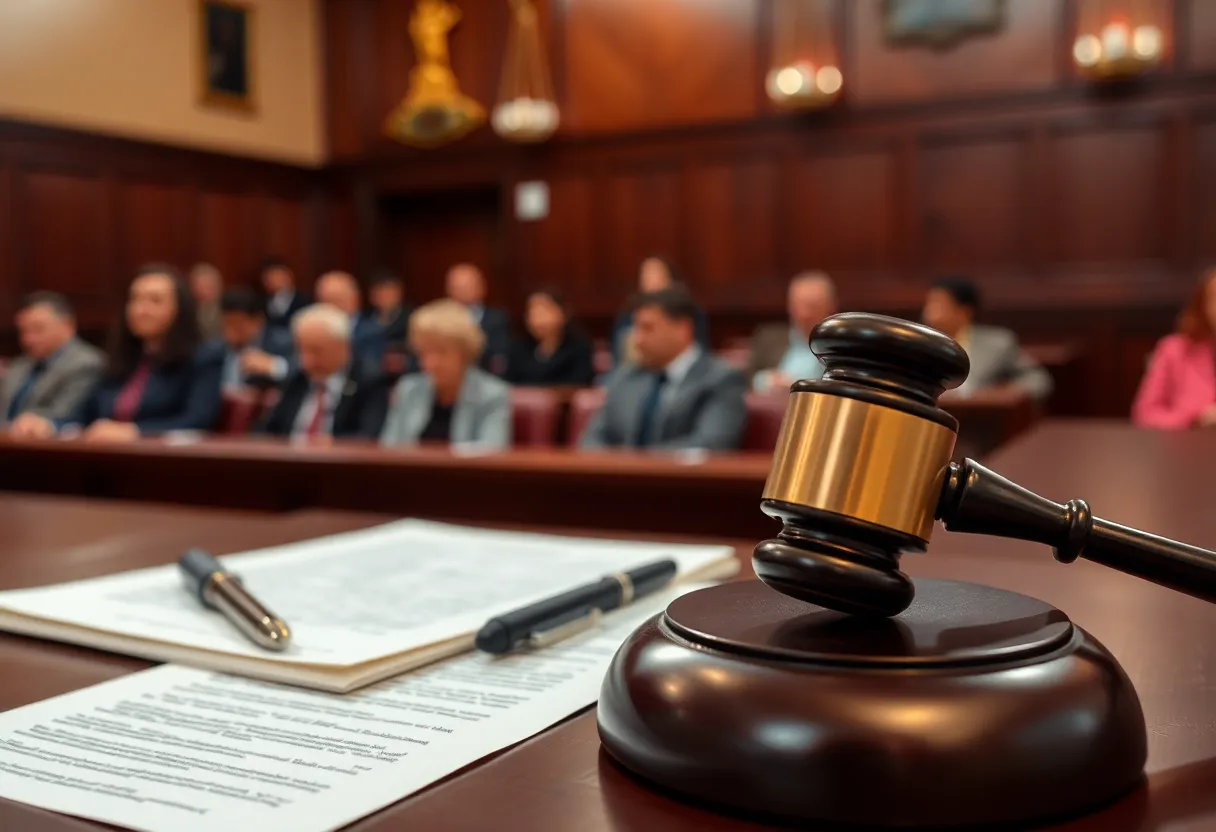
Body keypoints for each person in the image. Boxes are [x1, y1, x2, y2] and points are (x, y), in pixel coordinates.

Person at [8, 264, 223, 441]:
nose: (141, 309)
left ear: (180, 308)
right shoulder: (121, 358)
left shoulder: (204, 356)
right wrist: (49, 425)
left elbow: (197, 421)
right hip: (110, 459)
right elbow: (85, 416)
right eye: (135, 299)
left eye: (155, 300)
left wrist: (134, 431)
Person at [580, 286, 746, 451]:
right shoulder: (625, 378)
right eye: (636, 328)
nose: (637, 339)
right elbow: (591, 439)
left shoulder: (720, 380)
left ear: (682, 329)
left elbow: (712, 444)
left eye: (647, 328)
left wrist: (639, 462)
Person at [381, 299, 511, 448]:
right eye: (424, 352)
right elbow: (389, 449)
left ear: (464, 353)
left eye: (441, 352)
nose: (430, 363)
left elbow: (493, 451)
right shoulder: (408, 390)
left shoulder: (492, 395)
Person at [255, 304, 390, 440]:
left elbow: (367, 437)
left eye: (316, 351)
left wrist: (329, 445)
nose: (306, 361)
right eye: (301, 350)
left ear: (343, 347)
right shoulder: (297, 379)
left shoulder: (368, 381)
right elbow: (267, 431)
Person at [921, 276, 1052, 399]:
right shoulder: (920, 342)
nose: (928, 311)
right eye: (928, 303)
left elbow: (1038, 381)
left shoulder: (998, 343)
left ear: (964, 311)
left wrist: (998, 394)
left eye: (937, 303)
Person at [1, 293, 104, 425]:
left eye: (37, 329)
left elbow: (63, 415)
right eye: (23, 331)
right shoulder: (19, 365)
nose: (28, 339)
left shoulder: (87, 364)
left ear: (67, 326)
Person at [1132, 268, 1216, 430]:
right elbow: (1144, 414)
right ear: (1203, 306)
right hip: (1188, 442)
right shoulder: (1173, 350)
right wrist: (1196, 418)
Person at [609, 257, 710, 368]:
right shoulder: (627, 313)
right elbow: (617, 355)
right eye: (645, 275)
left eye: (656, 275)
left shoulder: (687, 311)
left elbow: (701, 350)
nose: (638, 340)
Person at [748, 271, 837, 392]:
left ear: (831, 306)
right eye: (799, 305)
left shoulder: (842, 347)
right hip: (772, 400)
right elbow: (745, 376)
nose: (805, 314)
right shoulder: (768, 338)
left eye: (812, 306)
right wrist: (765, 380)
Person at [505, 288, 595, 387]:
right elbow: (509, 385)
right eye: (532, 312)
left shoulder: (578, 348)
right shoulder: (517, 348)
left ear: (563, 313)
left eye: (545, 311)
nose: (538, 318)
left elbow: (578, 383)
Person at [217, 287, 293, 391]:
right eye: (226, 325)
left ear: (257, 321)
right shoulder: (215, 349)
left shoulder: (283, 342)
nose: (229, 332)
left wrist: (273, 366)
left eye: (237, 325)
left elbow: (299, 371)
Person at [311, 270, 387, 370]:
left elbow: (370, 370)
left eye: (335, 300)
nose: (329, 308)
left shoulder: (372, 332)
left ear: (353, 299)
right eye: (323, 301)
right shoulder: (311, 333)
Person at [445, 263, 510, 374]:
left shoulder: (497, 319)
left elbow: (499, 358)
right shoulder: (439, 320)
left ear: (482, 288)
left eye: (467, 287)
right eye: (457, 287)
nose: (462, 292)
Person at [260, 257, 308, 337]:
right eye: (269, 277)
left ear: (289, 276)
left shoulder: (303, 301)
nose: (274, 280)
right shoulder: (262, 302)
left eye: (278, 276)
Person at [189, 263, 224, 341]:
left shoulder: (224, 312)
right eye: (199, 286)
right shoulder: (186, 309)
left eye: (207, 286)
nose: (202, 291)